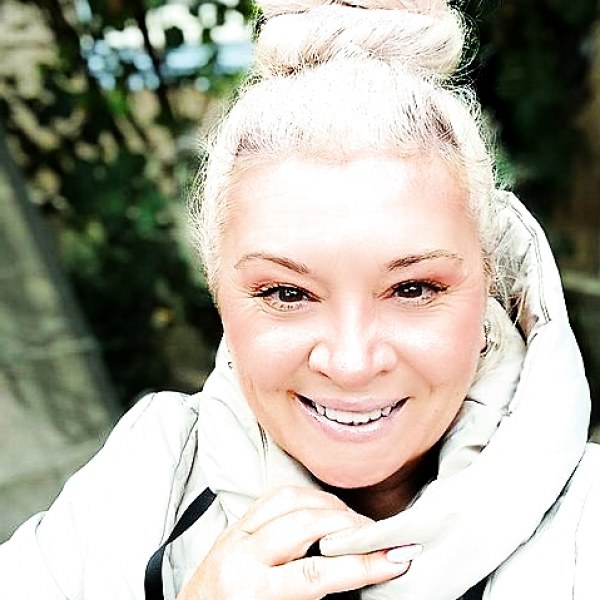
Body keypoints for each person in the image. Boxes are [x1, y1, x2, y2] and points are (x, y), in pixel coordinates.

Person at [1, 1, 599, 598]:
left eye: (413, 289)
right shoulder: (148, 476)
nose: (351, 362)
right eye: (287, 293)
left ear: (491, 279)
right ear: (216, 289)